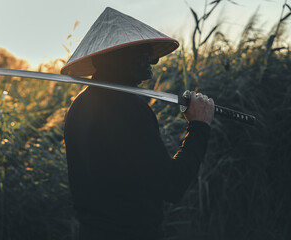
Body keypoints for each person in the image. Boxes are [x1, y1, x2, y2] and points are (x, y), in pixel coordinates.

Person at [62, 7, 214, 240]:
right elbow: (172, 185)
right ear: (116, 56)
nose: (154, 58)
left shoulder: (79, 105)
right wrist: (198, 127)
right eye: (144, 51)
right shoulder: (128, 109)